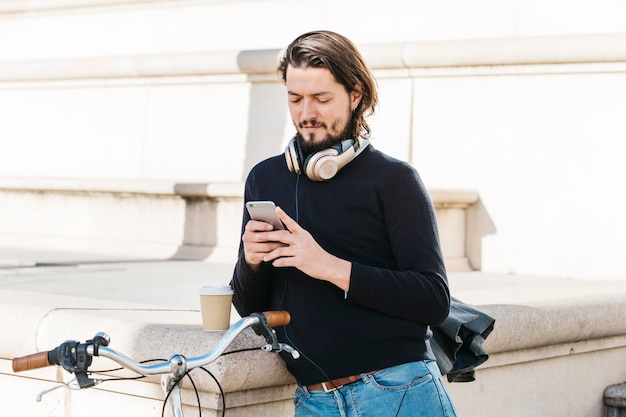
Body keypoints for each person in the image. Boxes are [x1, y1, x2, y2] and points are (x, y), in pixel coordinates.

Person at [230, 30, 458, 417]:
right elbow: (249, 307)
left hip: (397, 391)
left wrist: (330, 267)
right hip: (314, 401)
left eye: (321, 98)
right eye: (295, 98)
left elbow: (433, 299)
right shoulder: (265, 179)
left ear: (355, 96)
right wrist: (250, 262)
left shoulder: (394, 180)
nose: (306, 113)